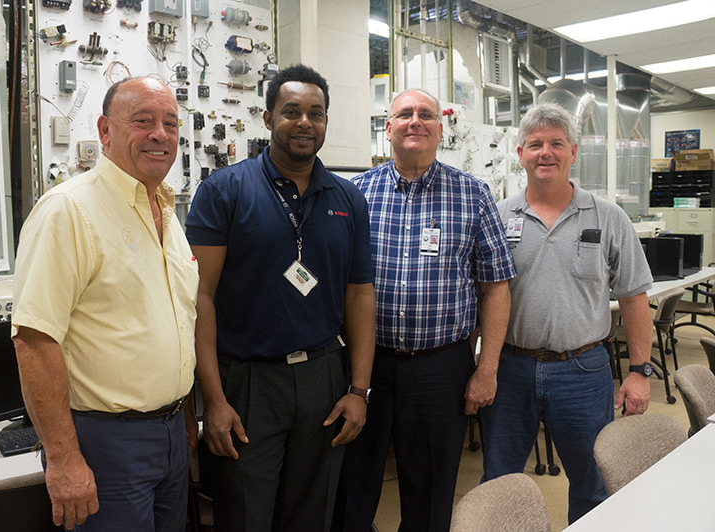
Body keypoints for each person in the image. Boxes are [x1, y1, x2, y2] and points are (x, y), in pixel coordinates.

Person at [185, 64, 376, 532]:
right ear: (268, 118)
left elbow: (359, 296)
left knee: (312, 514)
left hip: (324, 378)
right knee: (245, 515)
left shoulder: (347, 198)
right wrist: (213, 400)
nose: (305, 123)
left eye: (317, 113)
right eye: (292, 112)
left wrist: (358, 390)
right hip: (248, 383)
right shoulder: (224, 191)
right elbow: (199, 298)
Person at [12, 77, 199, 531]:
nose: (160, 134)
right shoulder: (68, 210)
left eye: (171, 123)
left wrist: (185, 416)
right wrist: (62, 458)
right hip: (105, 442)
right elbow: (34, 342)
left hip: (171, 433)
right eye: (143, 121)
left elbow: (176, 323)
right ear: (105, 130)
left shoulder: (168, 212)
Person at [332, 88, 516, 532]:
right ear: (388, 128)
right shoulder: (355, 194)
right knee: (351, 483)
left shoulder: (473, 194)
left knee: (430, 489)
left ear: (440, 129)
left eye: (426, 115)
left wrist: (486, 369)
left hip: (440, 368)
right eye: (405, 115)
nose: (416, 121)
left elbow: (496, 288)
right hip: (365, 365)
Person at [481, 102, 654, 524]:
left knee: (592, 480)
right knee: (498, 481)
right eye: (536, 144)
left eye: (557, 143)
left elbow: (634, 298)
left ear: (573, 152)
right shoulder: (497, 216)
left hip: (584, 370)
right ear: (520, 153)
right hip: (511, 370)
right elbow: (482, 295)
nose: (546, 152)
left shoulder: (608, 217)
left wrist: (639, 371)